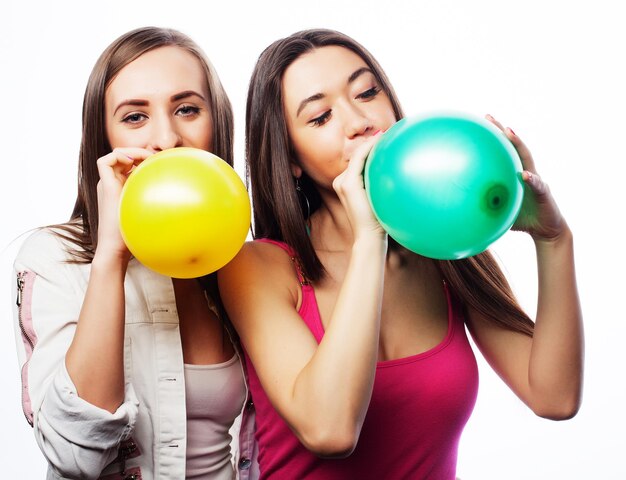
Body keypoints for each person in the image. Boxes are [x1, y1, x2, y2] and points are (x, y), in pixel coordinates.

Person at [218, 28, 584, 479]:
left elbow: (555, 397)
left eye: (367, 92)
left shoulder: (443, 251)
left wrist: (553, 241)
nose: (359, 121)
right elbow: (330, 430)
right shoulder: (257, 267)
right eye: (320, 117)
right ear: (291, 159)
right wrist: (369, 236)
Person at [12, 27, 257, 480]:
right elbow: (73, 457)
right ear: (103, 137)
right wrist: (110, 255)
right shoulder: (54, 259)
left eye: (187, 109)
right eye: (134, 117)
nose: (166, 138)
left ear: (216, 123)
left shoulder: (250, 267)